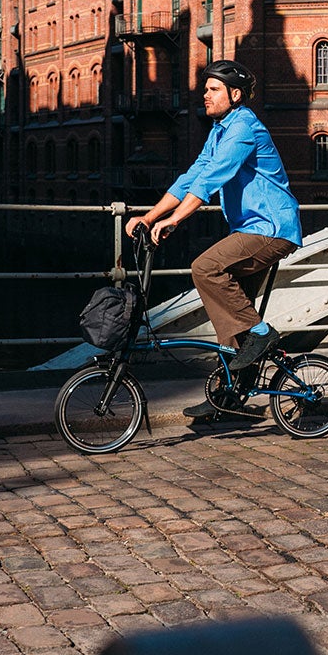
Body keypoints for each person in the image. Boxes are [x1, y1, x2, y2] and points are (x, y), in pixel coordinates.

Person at [129, 59, 302, 417]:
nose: (204, 95)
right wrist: (150, 215)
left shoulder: (244, 129)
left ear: (234, 95)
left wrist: (175, 220)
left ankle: (263, 332)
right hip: (250, 229)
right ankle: (233, 390)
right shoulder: (221, 130)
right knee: (230, 309)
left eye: (212, 90)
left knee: (206, 267)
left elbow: (213, 179)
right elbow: (194, 175)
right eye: (204, 89)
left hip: (271, 228)